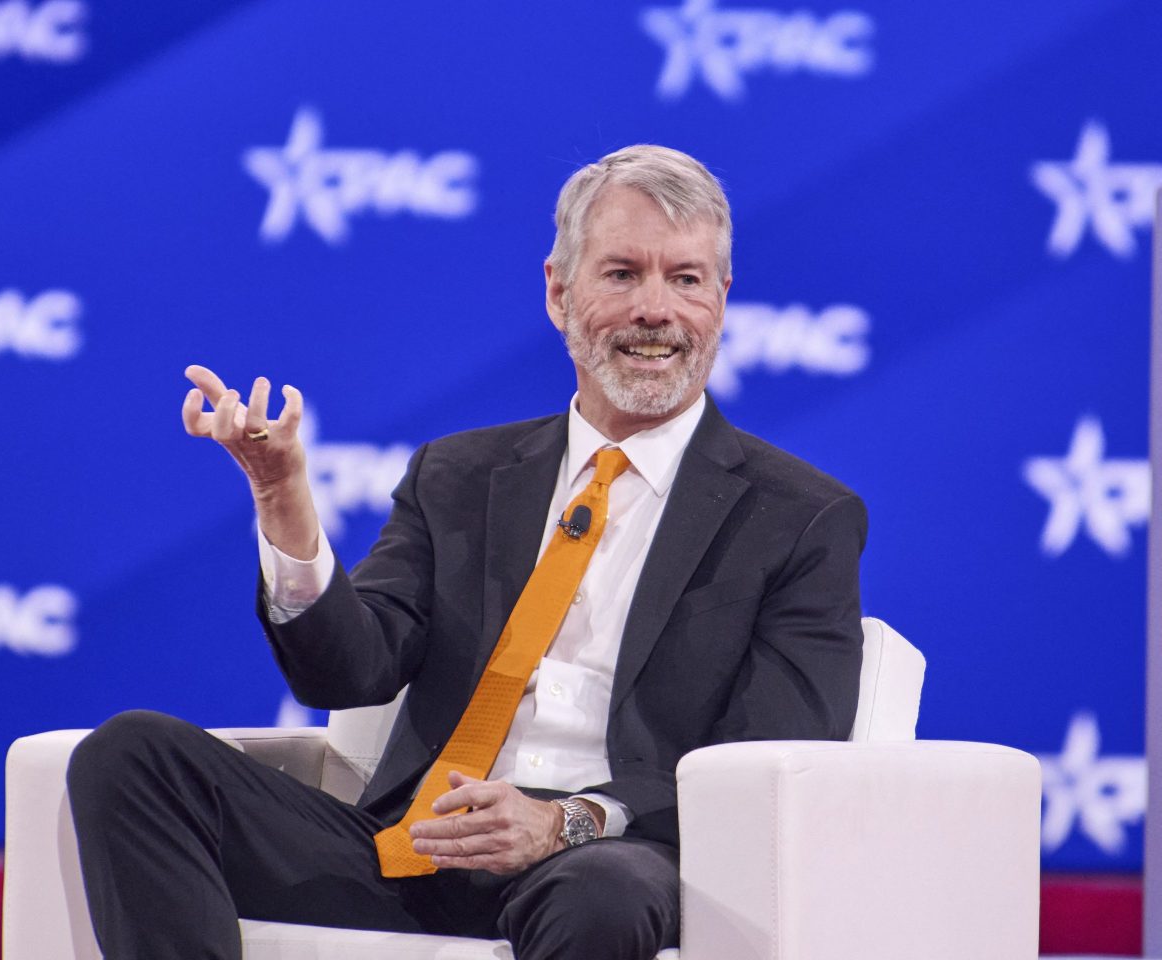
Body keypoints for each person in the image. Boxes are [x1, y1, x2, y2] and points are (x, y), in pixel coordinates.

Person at [66, 144, 866, 960]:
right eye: (622, 274)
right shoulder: (459, 474)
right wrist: (283, 502)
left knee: (604, 895)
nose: (655, 310)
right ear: (559, 292)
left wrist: (564, 821)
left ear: (721, 299)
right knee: (132, 757)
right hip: (415, 847)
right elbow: (347, 673)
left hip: (601, 858)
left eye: (686, 278)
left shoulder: (801, 518)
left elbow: (765, 761)